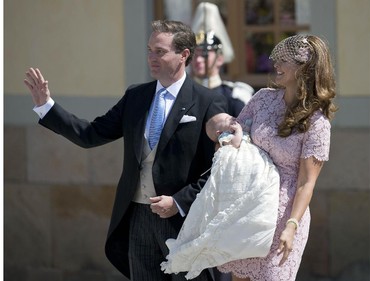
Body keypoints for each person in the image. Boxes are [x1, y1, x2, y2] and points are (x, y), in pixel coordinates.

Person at [23, 20, 228, 281]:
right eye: (149, 50)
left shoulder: (208, 101)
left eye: (160, 52)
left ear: (184, 55)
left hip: (184, 223)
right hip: (137, 218)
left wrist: (178, 202)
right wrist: (47, 107)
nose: (151, 58)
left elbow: (218, 171)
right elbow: (90, 134)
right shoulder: (136, 96)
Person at [217, 34, 338, 281]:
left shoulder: (317, 123)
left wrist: (291, 226)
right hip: (248, 207)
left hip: (283, 216)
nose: (275, 65)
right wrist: (227, 140)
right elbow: (234, 133)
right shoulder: (262, 98)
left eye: (283, 60)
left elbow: (306, 182)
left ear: (304, 68)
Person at [160, 113, 280, 280]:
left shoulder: (234, 130)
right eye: (228, 120)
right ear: (218, 133)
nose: (233, 120)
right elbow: (237, 143)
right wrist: (238, 131)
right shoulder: (226, 138)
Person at [191, 2, 254, 117]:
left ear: (219, 59)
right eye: (195, 54)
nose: (198, 59)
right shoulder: (183, 93)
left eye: (204, 54)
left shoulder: (234, 96)